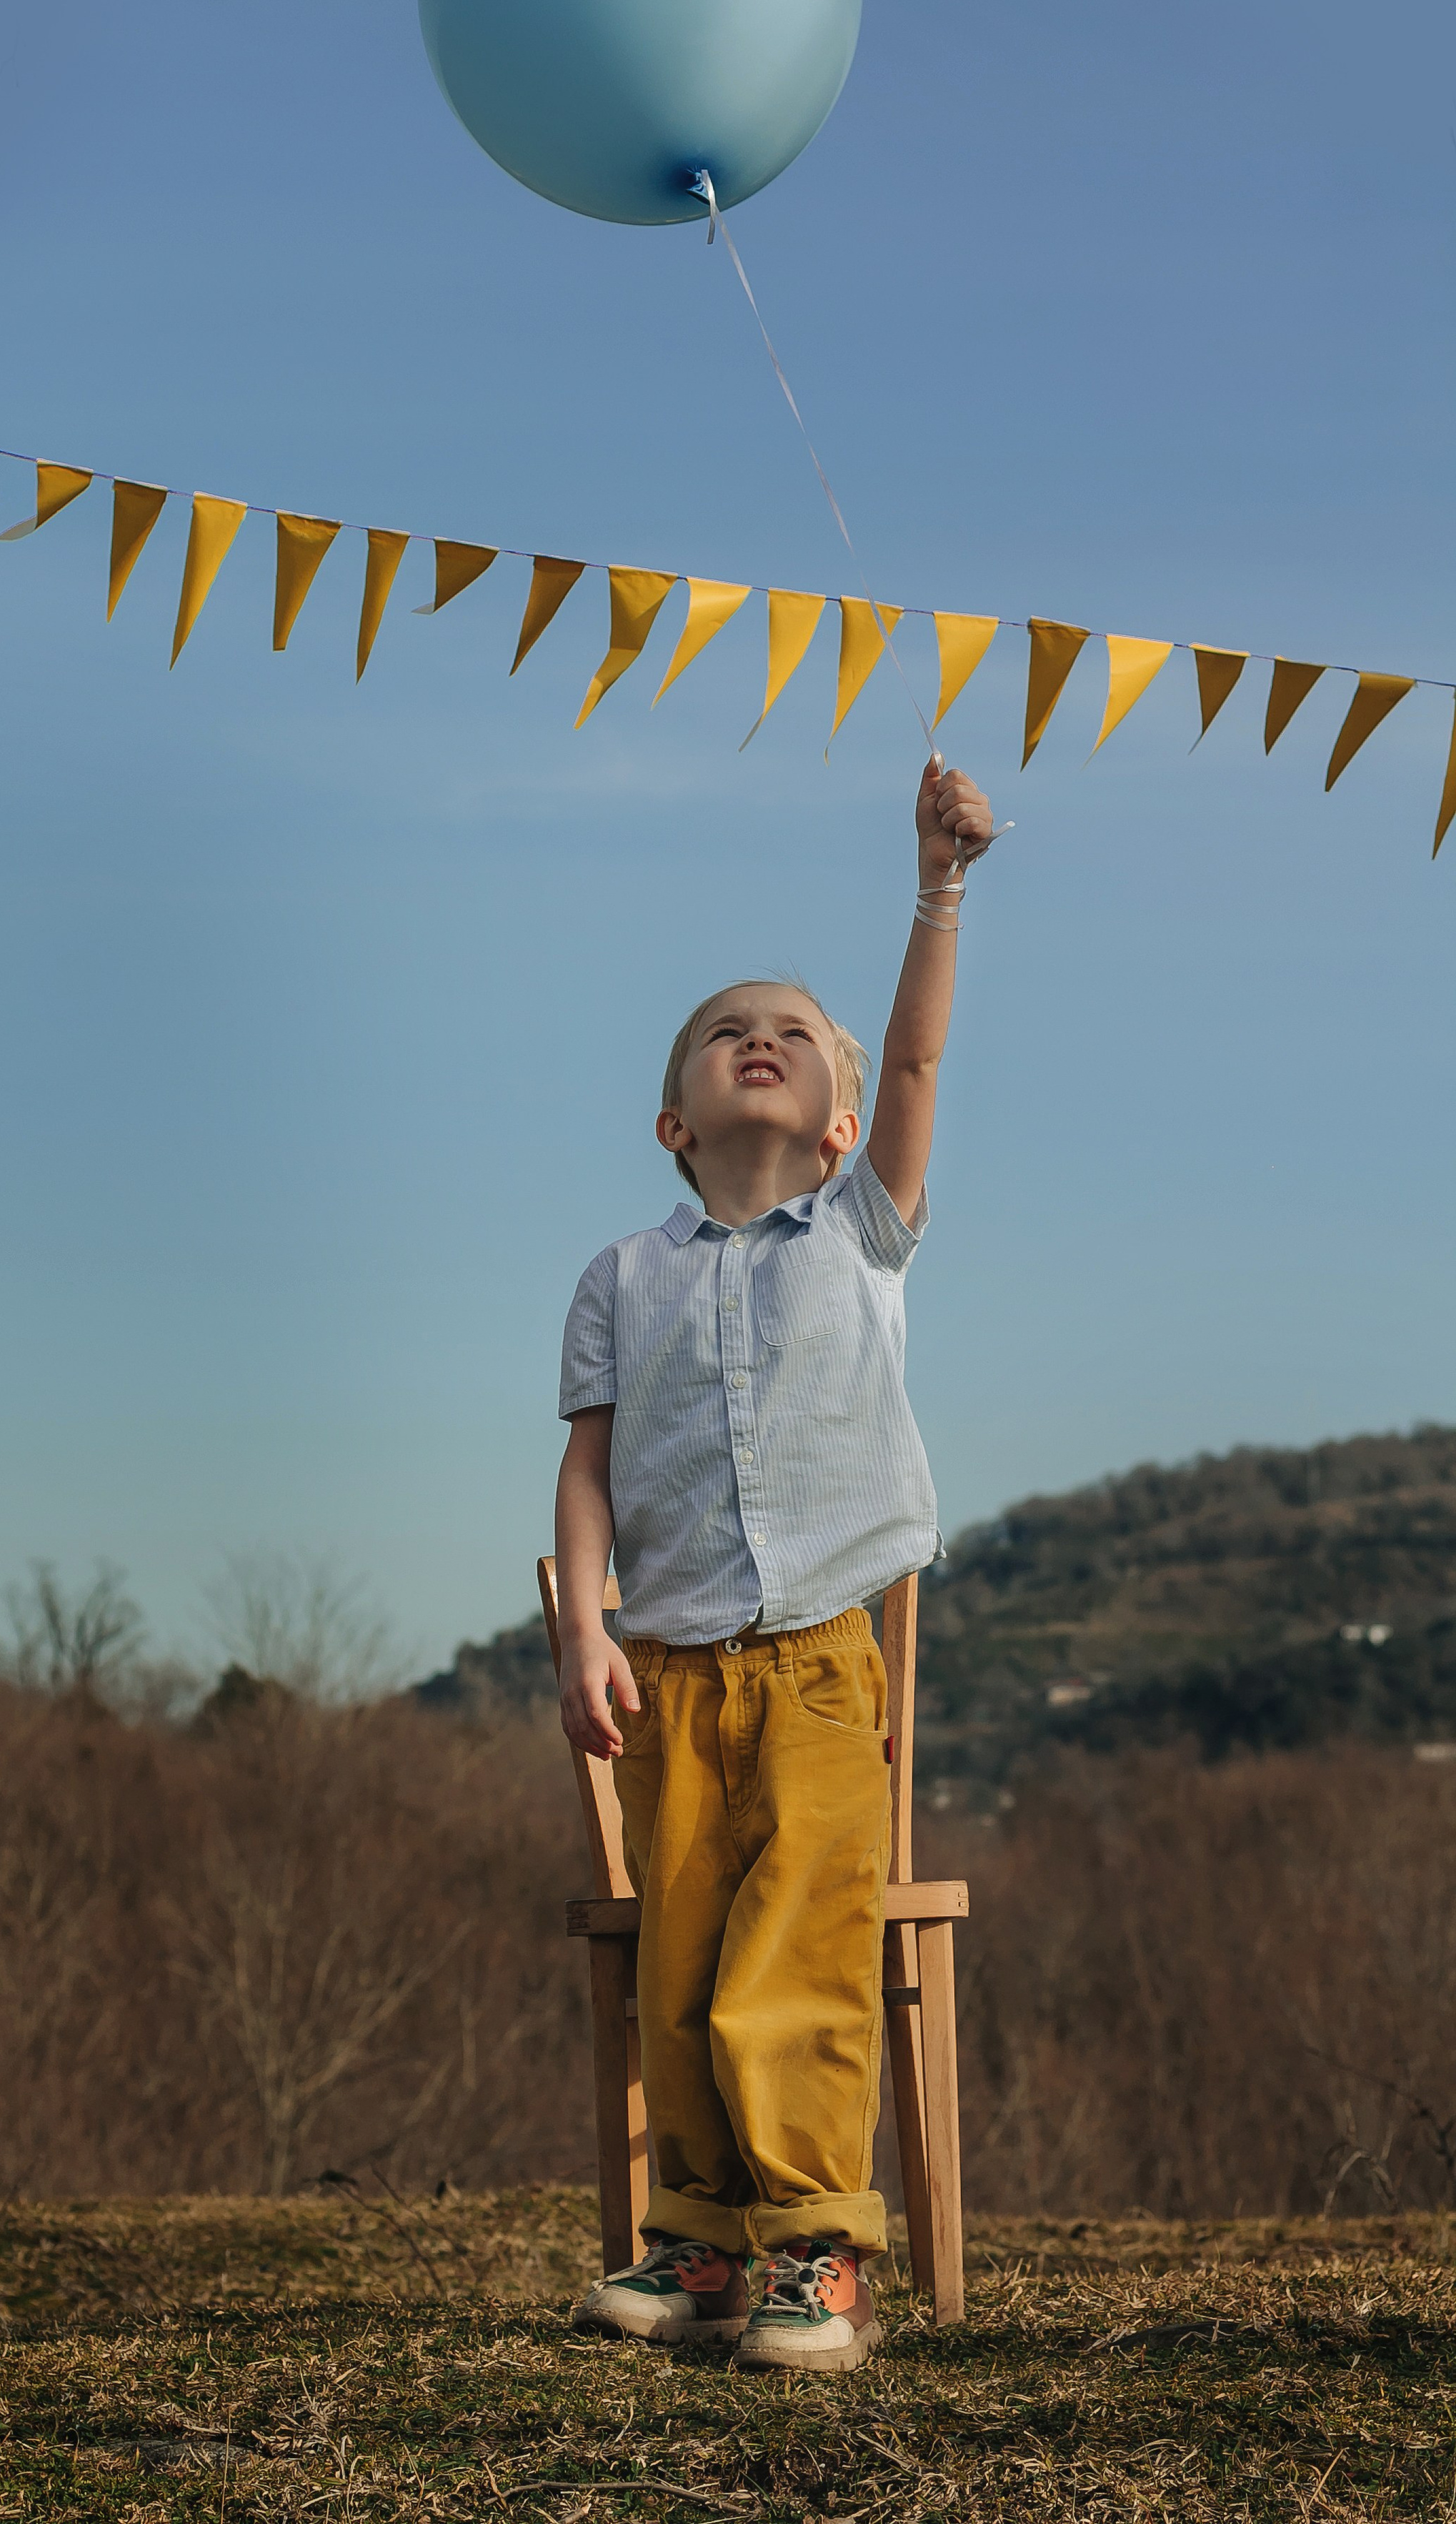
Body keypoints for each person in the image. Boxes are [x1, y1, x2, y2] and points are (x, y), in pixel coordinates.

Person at [553, 755, 994, 2373]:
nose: (764, 1038)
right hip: (666, 1673)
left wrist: (935, 884)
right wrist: (582, 1629)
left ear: (833, 1124)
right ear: (674, 1118)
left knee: (791, 1956)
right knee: (679, 1967)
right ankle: (699, 2249)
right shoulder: (617, 1275)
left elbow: (922, 1049)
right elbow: (586, 1470)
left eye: (795, 1034)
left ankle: (815, 2250)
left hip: (817, 1664)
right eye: (729, 1030)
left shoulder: (862, 1229)